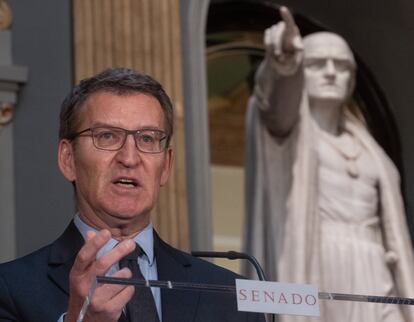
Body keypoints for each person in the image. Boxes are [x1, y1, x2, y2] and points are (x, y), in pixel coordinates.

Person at [0, 68, 265, 322]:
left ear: (166, 166)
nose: (129, 158)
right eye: (106, 136)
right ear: (68, 159)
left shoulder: (231, 294)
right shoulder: (10, 289)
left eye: (147, 139)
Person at [243, 6, 414, 322]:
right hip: (318, 259)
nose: (332, 72)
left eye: (342, 66)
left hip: (375, 265)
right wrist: (284, 65)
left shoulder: (370, 148)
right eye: (318, 64)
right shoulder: (288, 134)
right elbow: (275, 106)